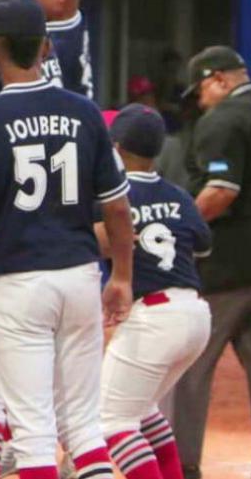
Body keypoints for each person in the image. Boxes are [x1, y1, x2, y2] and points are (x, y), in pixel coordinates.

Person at [0, 0, 135, 479]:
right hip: (80, 275)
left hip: (21, 284)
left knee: (32, 435)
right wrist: (122, 277)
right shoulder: (85, 112)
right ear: (46, 47)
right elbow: (117, 207)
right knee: (85, 430)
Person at [169, 46, 251, 479]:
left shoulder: (223, 118)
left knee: (189, 355)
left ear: (220, 79)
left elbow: (221, 190)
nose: (200, 101)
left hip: (241, 245)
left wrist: (177, 227)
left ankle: (179, 464)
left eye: (201, 90)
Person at [96, 105, 212, 479]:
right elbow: (203, 245)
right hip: (193, 313)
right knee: (143, 411)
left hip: (153, 318)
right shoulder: (178, 195)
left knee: (111, 422)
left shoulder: (111, 196)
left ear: (116, 147)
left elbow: (97, 242)